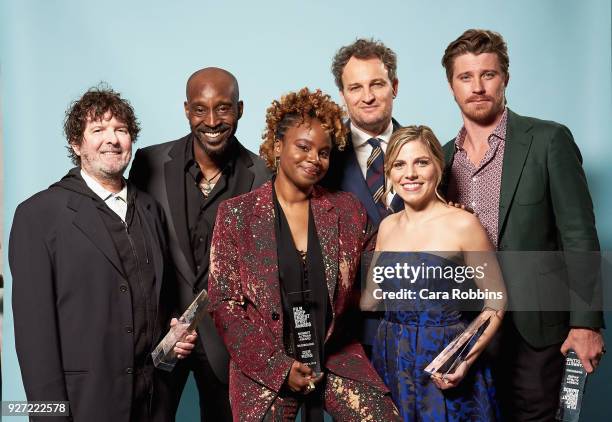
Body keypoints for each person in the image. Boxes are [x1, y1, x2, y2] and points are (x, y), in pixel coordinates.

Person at [440, 29, 606, 420]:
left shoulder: (548, 140)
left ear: (505, 79)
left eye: (488, 74)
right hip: (470, 329)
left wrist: (586, 323)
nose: (477, 87)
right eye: (465, 77)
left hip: (538, 332)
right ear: (451, 86)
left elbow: (579, 235)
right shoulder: (442, 160)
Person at [208, 88, 401, 421]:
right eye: (303, 146)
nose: (314, 159)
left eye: (324, 152)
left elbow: (381, 264)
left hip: (334, 355)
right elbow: (225, 307)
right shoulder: (237, 215)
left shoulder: (347, 210)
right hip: (266, 365)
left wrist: (437, 213)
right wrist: (280, 368)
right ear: (277, 146)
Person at [9, 86, 195, 422]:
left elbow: (158, 299)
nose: (112, 139)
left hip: (153, 403)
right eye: (98, 130)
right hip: (85, 406)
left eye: (121, 130)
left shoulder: (151, 209)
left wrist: (173, 337)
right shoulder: (38, 215)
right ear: (76, 144)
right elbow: (34, 339)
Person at [129, 67, 270, 421]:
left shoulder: (264, 173)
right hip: (162, 331)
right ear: (186, 110)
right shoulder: (149, 162)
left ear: (240, 109)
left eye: (223, 108)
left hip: (227, 341)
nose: (211, 120)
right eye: (200, 109)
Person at [362, 125, 505, 421]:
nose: (410, 174)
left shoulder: (463, 224)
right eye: (399, 164)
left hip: (443, 357)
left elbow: (497, 302)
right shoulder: (387, 226)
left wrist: (462, 358)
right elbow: (371, 300)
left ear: (438, 167)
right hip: (392, 357)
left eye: (421, 162)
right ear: (389, 173)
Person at [323, 38, 405, 353]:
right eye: (355, 88)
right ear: (342, 95)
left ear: (394, 86)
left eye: (377, 84)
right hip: (346, 334)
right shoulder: (322, 157)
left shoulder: (427, 152)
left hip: (415, 329)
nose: (367, 96)